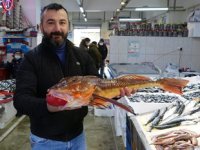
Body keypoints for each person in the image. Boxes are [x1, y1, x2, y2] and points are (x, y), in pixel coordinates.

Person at [13, 3, 132, 150]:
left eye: (62, 22)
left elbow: (98, 88)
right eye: (51, 22)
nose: (57, 28)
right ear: (41, 26)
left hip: (78, 137)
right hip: (45, 141)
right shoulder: (31, 59)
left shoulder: (82, 55)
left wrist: (117, 94)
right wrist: (49, 107)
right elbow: (20, 101)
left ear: (68, 26)